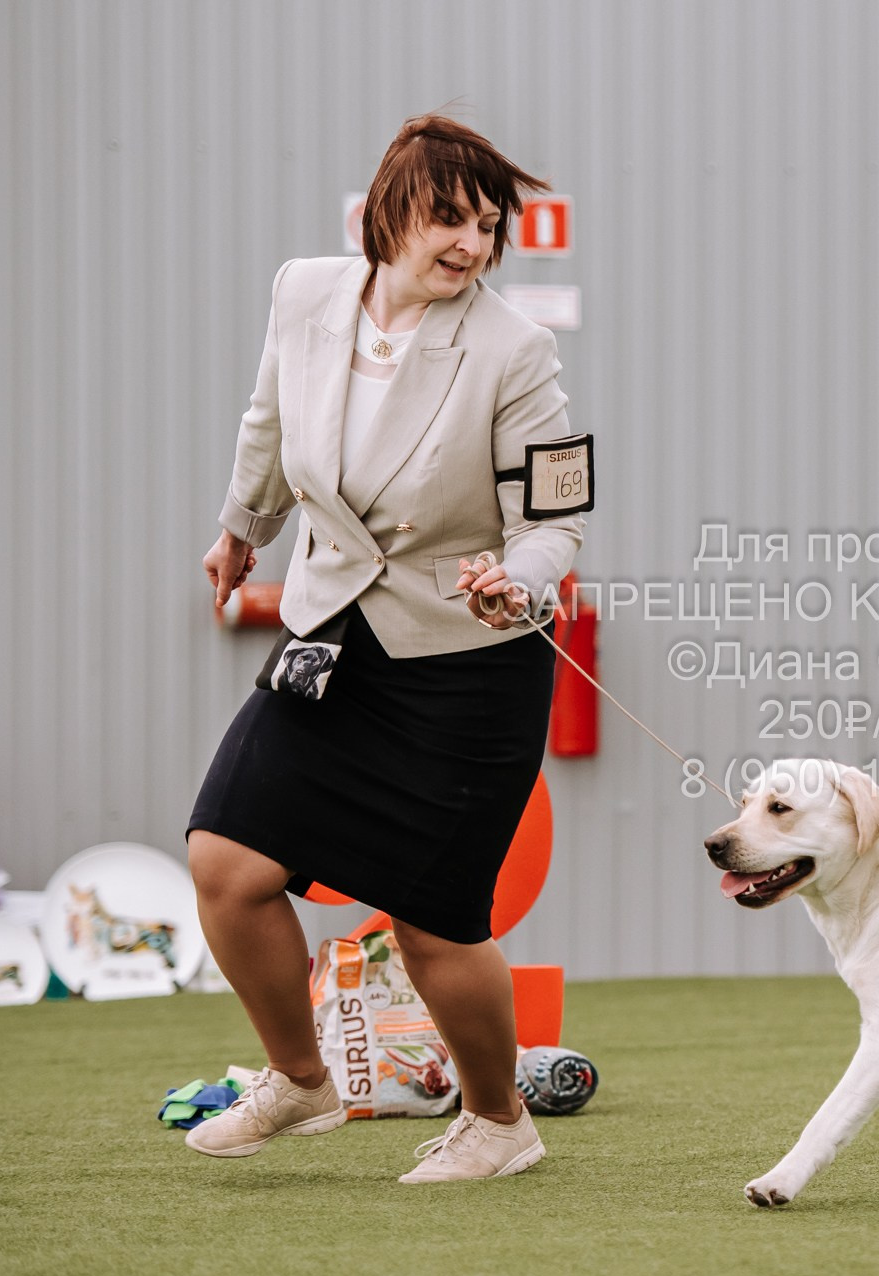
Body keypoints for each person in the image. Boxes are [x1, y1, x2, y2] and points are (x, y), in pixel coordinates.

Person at [186, 114, 583, 1181]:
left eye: (487, 227)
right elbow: (268, 425)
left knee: (432, 921)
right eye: (451, 218)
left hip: (470, 658)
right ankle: (303, 1085)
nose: (468, 245)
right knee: (225, 863)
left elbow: (556, 518)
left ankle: (500, 1124)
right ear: (388, 210)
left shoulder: (516, 349)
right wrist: (241, 530)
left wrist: (521, 578)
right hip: (331, 632)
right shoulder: (304, 292)